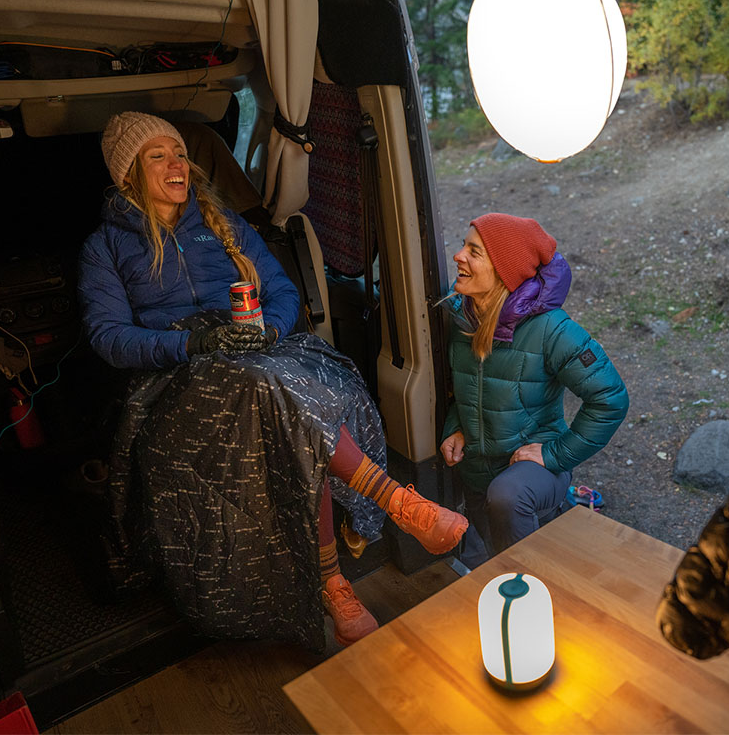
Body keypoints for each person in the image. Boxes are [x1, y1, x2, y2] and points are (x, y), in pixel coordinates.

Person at [77, 111, 466, 648]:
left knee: (305, 391)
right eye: (157, 155)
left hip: (258, 351)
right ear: (128, 174)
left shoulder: (225, 224)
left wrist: (268, 332)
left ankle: (332, 583)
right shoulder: (106, 247)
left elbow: (282, 294)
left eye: (180, 152)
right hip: (177, 372)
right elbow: (108, 337)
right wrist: (192, 343)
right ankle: (399, 503)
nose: (176, 164)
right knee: (274, 391)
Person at [439, 213, 629, 569]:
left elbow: (610, 399)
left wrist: (556, 455)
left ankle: (540, 592)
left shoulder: (550, 329)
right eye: (464, 246)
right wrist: (457, 426)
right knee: (497, 547)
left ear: (504, 271)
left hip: (532, 472)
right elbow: (467, 388)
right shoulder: (462, 316)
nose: (458, 256)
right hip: (481, 470)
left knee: (509, 505)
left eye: (474, 251)